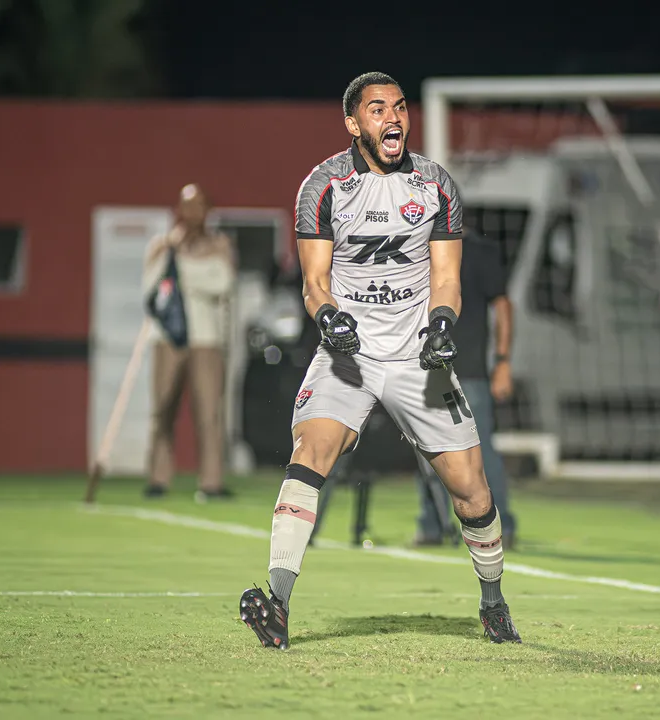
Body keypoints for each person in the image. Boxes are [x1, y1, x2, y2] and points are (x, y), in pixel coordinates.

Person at [239, 72, 521, 649]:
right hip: (349, 356)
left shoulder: (436, 184)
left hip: (419, 357)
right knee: (311, 451)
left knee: (473, 492)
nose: (393, 118)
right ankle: (277, 602)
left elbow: (447, 278)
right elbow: (315, 283)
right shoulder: (323, 186)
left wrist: (442, 324)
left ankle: (493, 602)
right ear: (352, 123)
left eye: (399, 107)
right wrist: (329, 319)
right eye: (377, 110)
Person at [413, 230, 517, 548]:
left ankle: (500, 525)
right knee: (427, 447)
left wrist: (502, 362)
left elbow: (503, 307)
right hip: (425, 368)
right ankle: (433, 524)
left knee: (479, 449)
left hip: (468, 371)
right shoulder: (414, 248)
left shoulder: (479, 252)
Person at [142, 184, 236, 502]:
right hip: (168, 338)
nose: (192, 213)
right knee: (162, 409)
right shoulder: (162, 245)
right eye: (187, 206)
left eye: (199, 206)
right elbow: (152, 287)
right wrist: (196, 274)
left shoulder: (219, 244)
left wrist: (180, 274)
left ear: (208, 211)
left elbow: (222, 282)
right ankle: (158, 478)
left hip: (206, 339)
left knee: (209, 412)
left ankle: (211, 482)